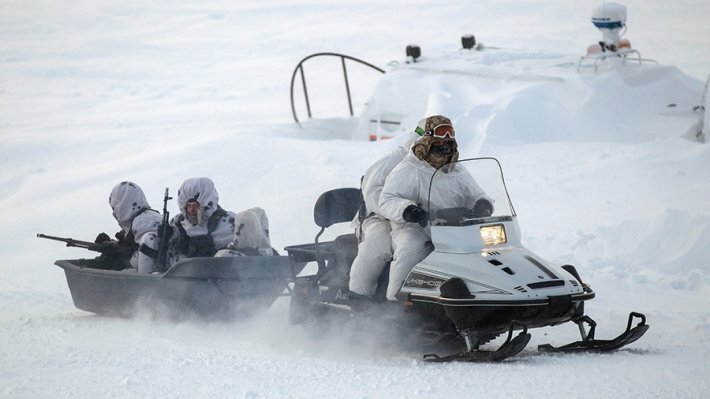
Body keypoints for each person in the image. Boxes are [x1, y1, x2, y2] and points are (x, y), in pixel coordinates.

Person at [378, 115, 493, 301]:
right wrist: (408, 210)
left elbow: (475, 194)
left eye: (450, 132)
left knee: (487, 247)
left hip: (453, 226)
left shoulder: (456, 169)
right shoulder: (410, 167)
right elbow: (387, 199)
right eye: (441, 132)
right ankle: (397, 299)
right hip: (415, 226)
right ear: (428, 136)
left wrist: (482, 204)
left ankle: (487, 292)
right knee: (412, 247)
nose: (446, 138)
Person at [347, 122, 423, 305]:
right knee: (378, 244)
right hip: (378, 217)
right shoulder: (393, 161)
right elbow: (372, 194)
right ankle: (359, 296)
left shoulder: (439, 165)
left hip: (412, 219)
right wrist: (403, 210)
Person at [166, 177, 273, 266]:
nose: (191, 210)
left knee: (250, 216)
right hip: (184, 277)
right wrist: (166, 235)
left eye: (195, 206)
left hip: (226, 278)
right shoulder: (179, 223)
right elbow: (172, 249)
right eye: (188, 206)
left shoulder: (229, 223)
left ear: (206, 203)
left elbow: (246, 248)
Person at [95, 181, 162, 273]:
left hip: (152, 279)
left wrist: (124, 263)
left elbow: (148, 250)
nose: (114, 212)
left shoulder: (142, 222)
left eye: (114, 207)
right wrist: (113, 246)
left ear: (122, 204)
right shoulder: (149, 217)